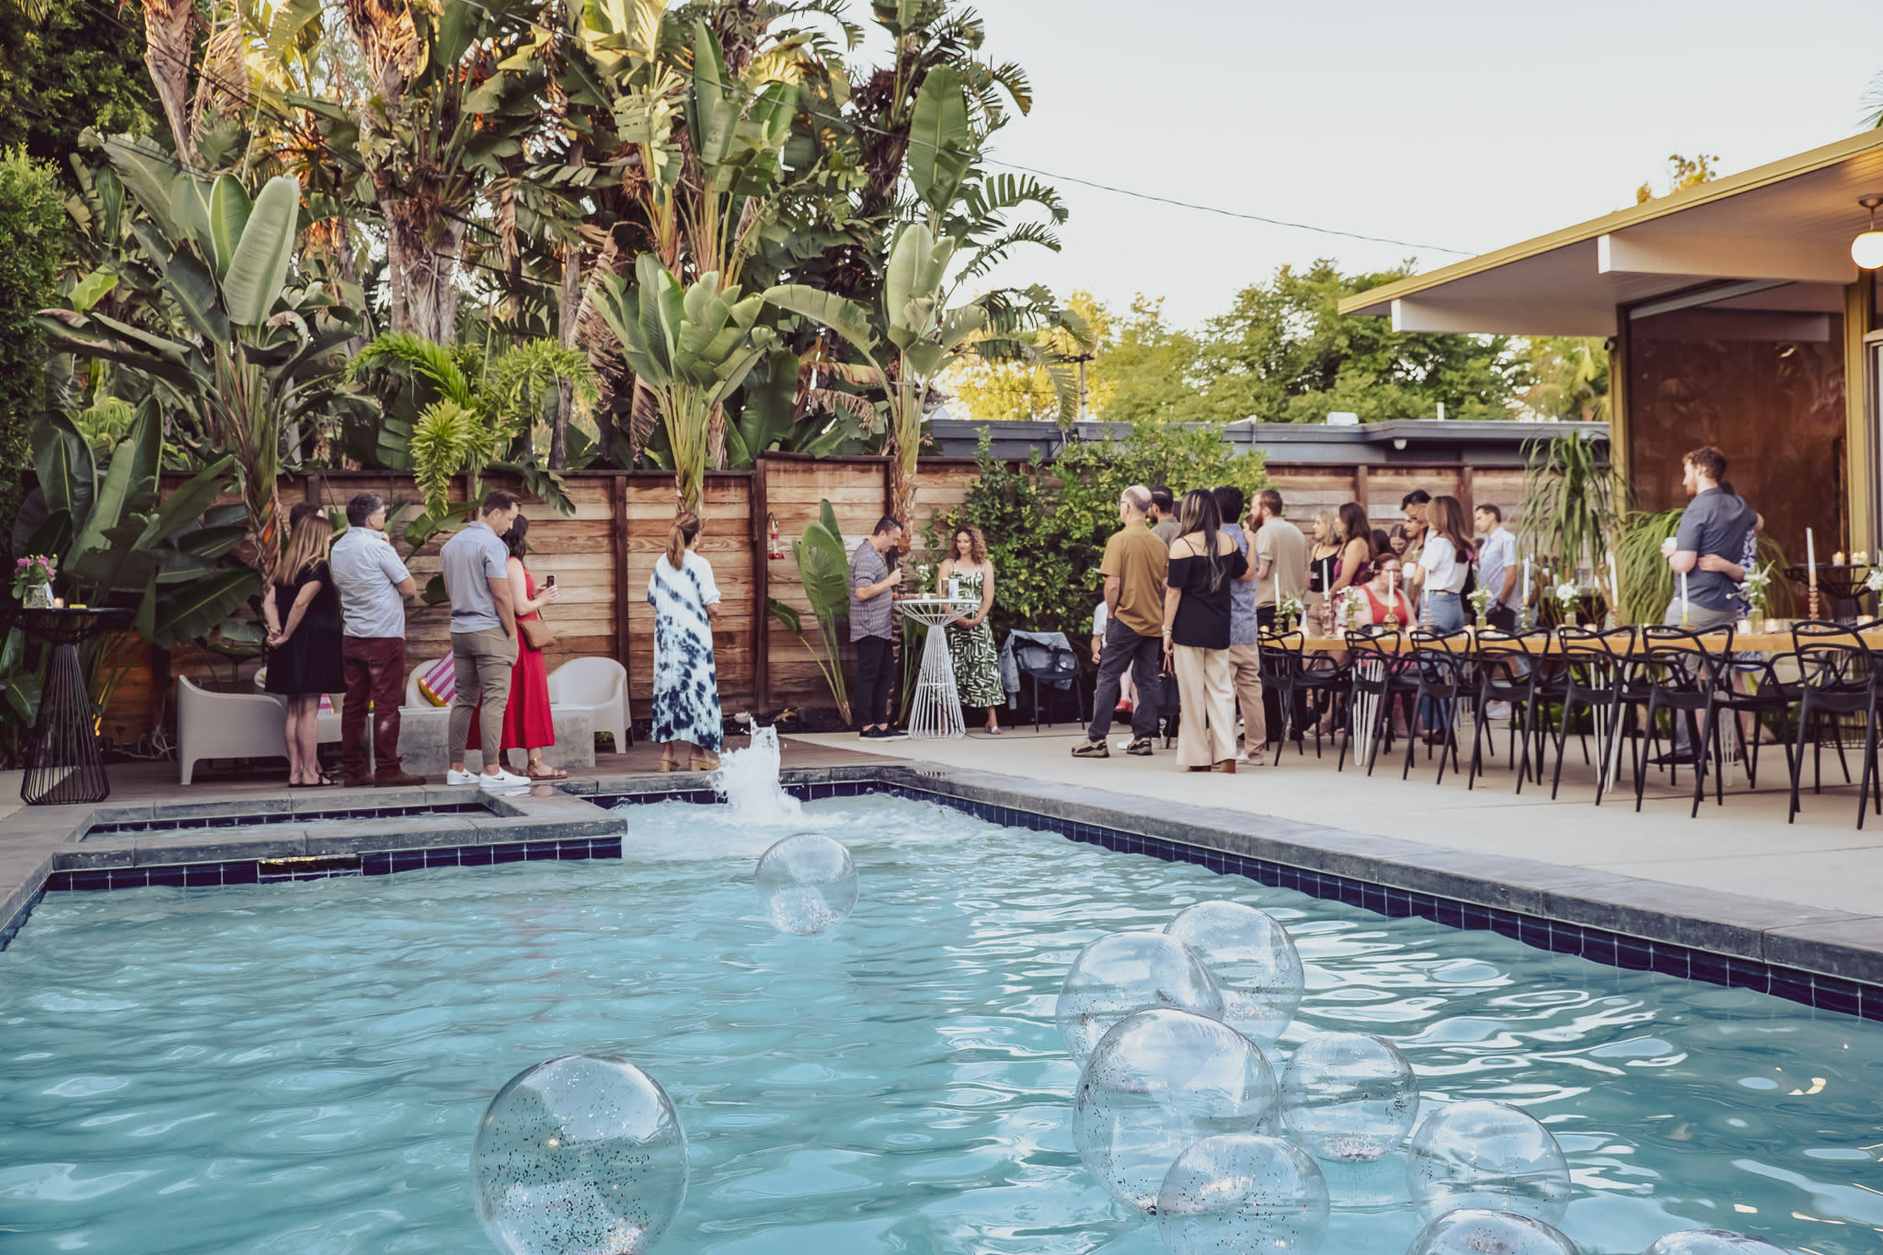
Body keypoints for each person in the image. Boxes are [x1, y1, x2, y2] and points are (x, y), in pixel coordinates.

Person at [1661, 446, 1755, 762]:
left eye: (1686, 469)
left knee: (1681, 676)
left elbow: (1685, 563)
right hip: (1726, 608)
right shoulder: (1738, 505)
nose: (1683, 476)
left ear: (1701, 469)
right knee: (1719, 677)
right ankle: (1724, 747)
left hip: (1694, 604)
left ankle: (1689, 748)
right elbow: (1759, 523)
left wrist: (1671, 552)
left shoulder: (1697, 509)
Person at [328, 492, 423, 788]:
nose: (384, 518)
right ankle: (387, 768)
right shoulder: (379, 548)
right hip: (383, 635)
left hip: (353, 635)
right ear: (371, 518)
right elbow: (409, 588)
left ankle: (354, 771)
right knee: (386, 704)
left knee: (353, 705)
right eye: (382, 513)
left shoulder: (338, 547)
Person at [1074, 485, 1167, 759]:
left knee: (1108, 676)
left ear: (1127, 507)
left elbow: (1112, 584)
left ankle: (1096, 739)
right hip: (1152, 621)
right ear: (1149, 509)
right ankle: (1143, 738)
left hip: (1125, 619)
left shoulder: (1119, 540)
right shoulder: (1159, 544)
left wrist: (1113, 613)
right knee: (1147, 679)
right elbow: (1164, 586)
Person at [467, 515, 563, 780]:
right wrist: (542, 599)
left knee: (509, 698)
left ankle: (504, 760)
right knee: (529, 696)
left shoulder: (500, 561)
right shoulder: (512, 563)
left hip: (509, 635)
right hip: (521, 638)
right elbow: (520, 608)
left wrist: (534, 595)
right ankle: (536, 761)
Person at [442, 490, 527, 787]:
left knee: (464, 699)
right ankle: (492, 770)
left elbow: (452, 588)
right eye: (510, 518)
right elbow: (501, 594)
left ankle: (456, 768)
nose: (510, 526)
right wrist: (512, 633)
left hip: (459, 630)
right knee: (494, 700)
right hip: (489, 630)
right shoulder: (493, 544)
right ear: (494, 513)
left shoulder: (451, 544)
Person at [1163, 489, 1248, 772]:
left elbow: (1173, 594)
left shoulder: (1181, 546)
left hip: (1188, 629)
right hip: (1219, 626)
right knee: (1222, 691)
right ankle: (1227, 754)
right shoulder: (1227, 542)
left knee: (1191, 694)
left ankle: (1197, 758)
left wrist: (1166, 631)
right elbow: (1243, 573)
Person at [262, 511, 343, 788]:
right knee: (309, 711)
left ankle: (295, 773)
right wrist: (285, 634)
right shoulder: (318, 566)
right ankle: (311, 773)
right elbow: (301, 603)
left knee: (294, 711)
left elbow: (269, 603)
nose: (331, 538)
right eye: (328, 534)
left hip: (289, 644)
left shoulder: (286, 566)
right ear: (318, 537)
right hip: (310, 643)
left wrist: (275, 631)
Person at [648, 512, 726, 771]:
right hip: (693, 643)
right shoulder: (699, 564)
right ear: (697, 536)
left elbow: (652, 597)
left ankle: (666, 755)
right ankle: (697, 755)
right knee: (697, 692)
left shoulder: (661, 562)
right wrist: (717, 611)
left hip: (667, 642)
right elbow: (712, 605)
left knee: (668, 693)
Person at [1251, 489, 1309, 744]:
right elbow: (1306, 574)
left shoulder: (1265, 532)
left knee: (1269, 669)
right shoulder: (1297, 532)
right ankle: (1298, 724)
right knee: (1294, 667)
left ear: (1265, 508)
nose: (1251, 512)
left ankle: (1273, 727)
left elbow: (1262, 570)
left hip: (1267, 606)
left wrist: (1242, 575)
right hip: (1293, 605)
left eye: (1254, 507)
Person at [938, 524, 1003, 734]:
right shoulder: (949, 564)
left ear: (974, 542)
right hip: (953, 624)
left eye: (966, 541)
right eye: (959, 541)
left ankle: (992, 720)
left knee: (984, 668)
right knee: (952, 668)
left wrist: (977, 619)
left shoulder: (985, 565)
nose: (962, 545)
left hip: (978, 623)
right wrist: (956, 617)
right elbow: (942, 596)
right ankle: (946, 720)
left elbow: (988, 596)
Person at [1215, 485, 1264, 763]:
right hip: (1248, 623)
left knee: (1224, 691)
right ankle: (1255, 750)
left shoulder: (1219, 540)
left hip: (1225, 626)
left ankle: (1224, 749)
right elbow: (1253, 573)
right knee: (1251, 690)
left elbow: (1244, 574)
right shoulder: (1247, 537)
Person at [850, 516, 906, 739]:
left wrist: (891, 593)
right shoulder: (866, 557)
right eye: (894, 538)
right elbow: (862, 592)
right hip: (868, 626)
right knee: (869, 676)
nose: (895, 543)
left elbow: (874, 589)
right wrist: (890, 582)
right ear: (883, 533)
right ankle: (865, 726)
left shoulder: (876, 555)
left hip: (879, 626)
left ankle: (881, 723)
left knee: (885, 673)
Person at [1473, 504, 1521, 631]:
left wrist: (1500, 604)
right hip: (1486, 607)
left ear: (1491, 516)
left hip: (1501, 607)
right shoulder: (1485, 544)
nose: (1476, 523)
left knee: (1500, 647)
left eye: (1479, 518)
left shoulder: (1507, 539)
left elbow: (1511, 574)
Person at [1091, 597, 1137, 714]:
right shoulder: (1101, 608)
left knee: (1133, 665)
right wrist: (1096, 653)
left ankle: (1125, 698)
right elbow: (1096, 638)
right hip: (1110, 651)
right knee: (1125, 663)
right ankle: (1125, 698)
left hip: (1133, 649)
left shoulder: (1134, 605)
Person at [1326, 502, 1373, 598]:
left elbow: (1344, 580)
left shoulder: (1356, 544)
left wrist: (1328, 597)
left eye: (1339, 517)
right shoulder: (1347, 542)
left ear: (1350, 520)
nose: (1335, 521)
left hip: (1353, 600)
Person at [1362, 553, 1417, 625]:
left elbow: (1412, 624)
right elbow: (1364, 627)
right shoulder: (1362, 593)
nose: (1397, 575)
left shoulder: (1401, 594)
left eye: (1398, 571)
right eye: (1391, 571)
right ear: (1377, 571)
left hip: (1402, 635)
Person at [1307, 510, 1341, 607]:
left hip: (1332, 602)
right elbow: (1309, 575)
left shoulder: (1340, 549)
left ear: (1329, 525)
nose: (1314, 527)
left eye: (1318, 523)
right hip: (1314, 601)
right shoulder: (1316, 548)